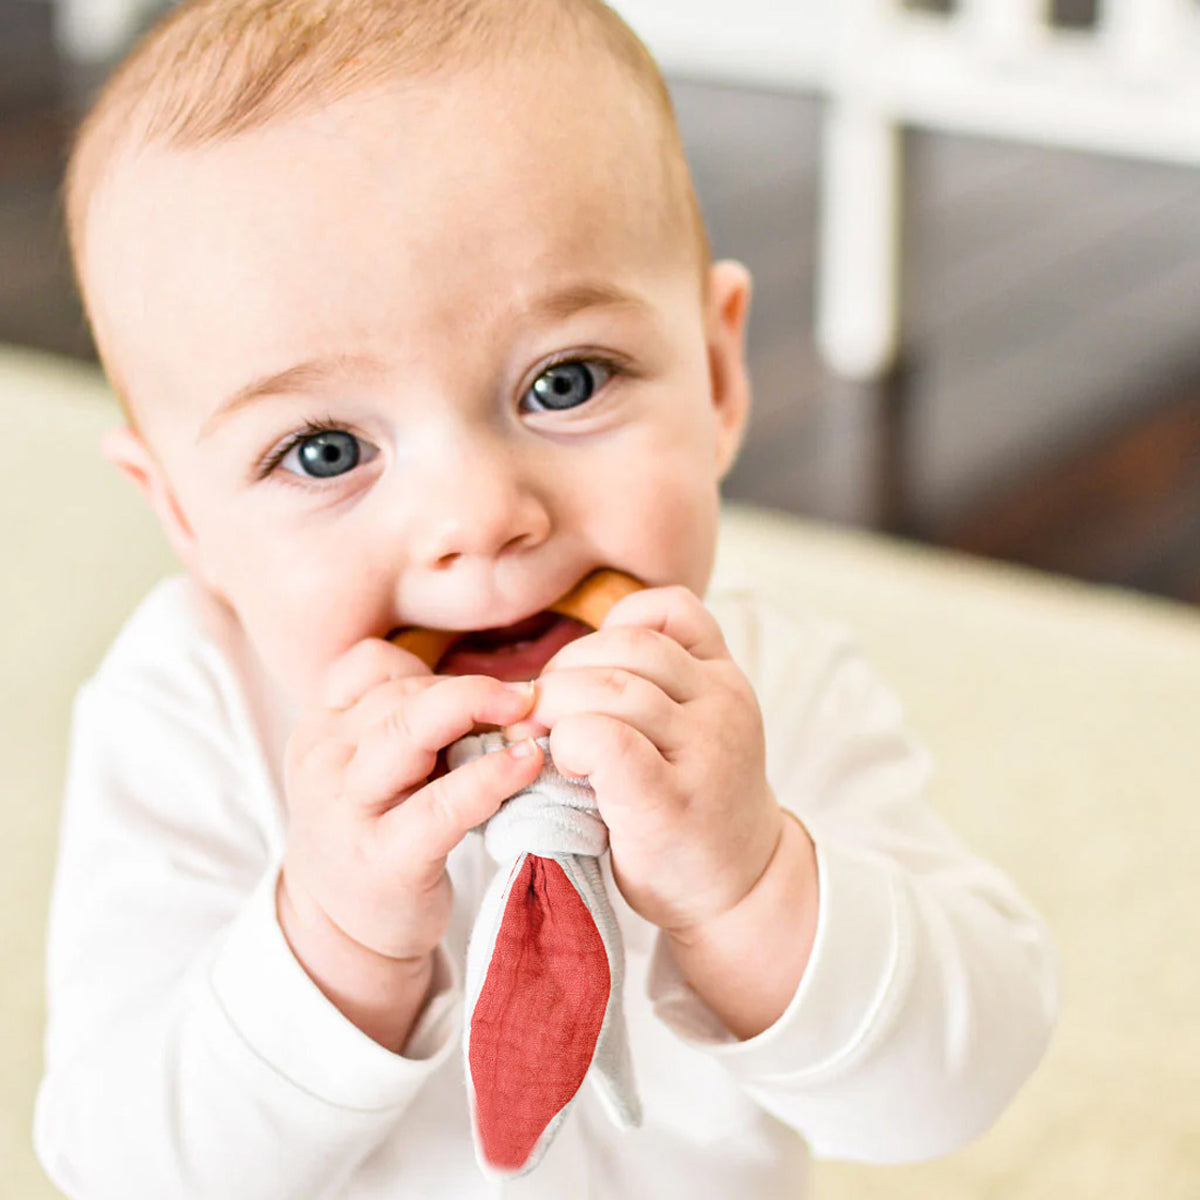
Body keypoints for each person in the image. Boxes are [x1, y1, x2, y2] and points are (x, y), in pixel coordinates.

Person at [35, 1, 1058, 1196]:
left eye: (563, 382)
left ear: (720, 374)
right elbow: (121, 1164)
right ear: (184, 515)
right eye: (322, 451)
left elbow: (958, 1085)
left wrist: (750, 888)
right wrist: (334, 942)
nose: (480, 517)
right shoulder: (186, 712)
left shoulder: (761, 690)